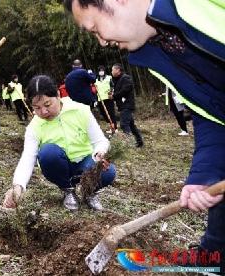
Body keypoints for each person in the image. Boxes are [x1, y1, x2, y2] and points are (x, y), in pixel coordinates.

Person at [64, 0, 225, 271]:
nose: (102, 42)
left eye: (95, 29)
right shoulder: (158, 51)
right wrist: (204, 174)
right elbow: (211, 114)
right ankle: (215, 254)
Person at [2, 75, 116, 211]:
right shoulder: (34, 126)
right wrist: (18, 186)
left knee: (108, 172)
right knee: (47, 153)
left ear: (57, 95)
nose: (43, 112)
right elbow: (27, 157)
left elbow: (100, 141)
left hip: (86, 164)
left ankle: (89, 192)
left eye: (47, 104)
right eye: (36, 108)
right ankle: (68, 190)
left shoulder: (80, 110)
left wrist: (100, 152)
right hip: (61, 168)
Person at [110, 63, 143, 147]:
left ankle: (129, 144)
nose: (112, 71)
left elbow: (125, 90)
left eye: (113, 69)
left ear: (118, 70)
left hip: (127, 105)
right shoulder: (117, 80)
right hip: (123, 106)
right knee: (131, 125)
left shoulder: (126, 78)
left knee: (124, 124)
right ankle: (139, 142)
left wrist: (114, 96)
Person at [95, 65, 117, 133]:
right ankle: (111, 127)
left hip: (108, 98)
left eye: (102, 71)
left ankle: (115, 128)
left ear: (104, 71)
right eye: (100, 71)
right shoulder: (96, 80)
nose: (101, 72)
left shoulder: (109, 77)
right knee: (104, 114)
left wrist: (111, 92)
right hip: (100, 100)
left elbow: (112, 86)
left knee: (111, 113)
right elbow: (95, 90)